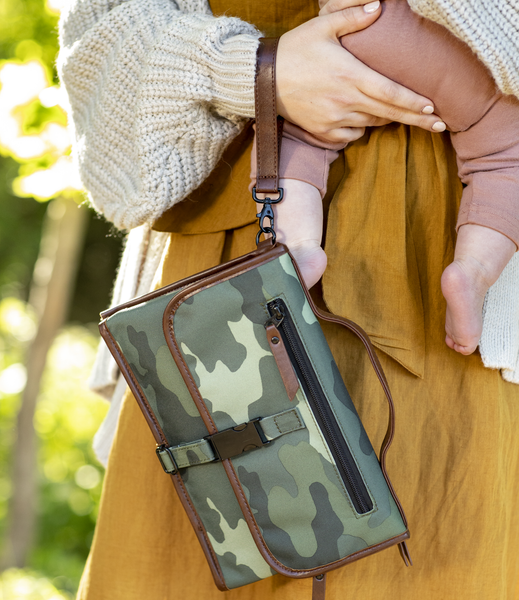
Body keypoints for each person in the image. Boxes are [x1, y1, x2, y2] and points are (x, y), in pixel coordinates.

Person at [58, 0, 519, 599]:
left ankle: (301, 248)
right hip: (229, 264)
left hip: (361, 239)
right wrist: (251, 70)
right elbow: (104, 39)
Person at [250, 0, 519, 356]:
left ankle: (298, 245)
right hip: (445, 36)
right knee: (502, 158)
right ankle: (474, 270)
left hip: (354, 25)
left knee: (301, 131)